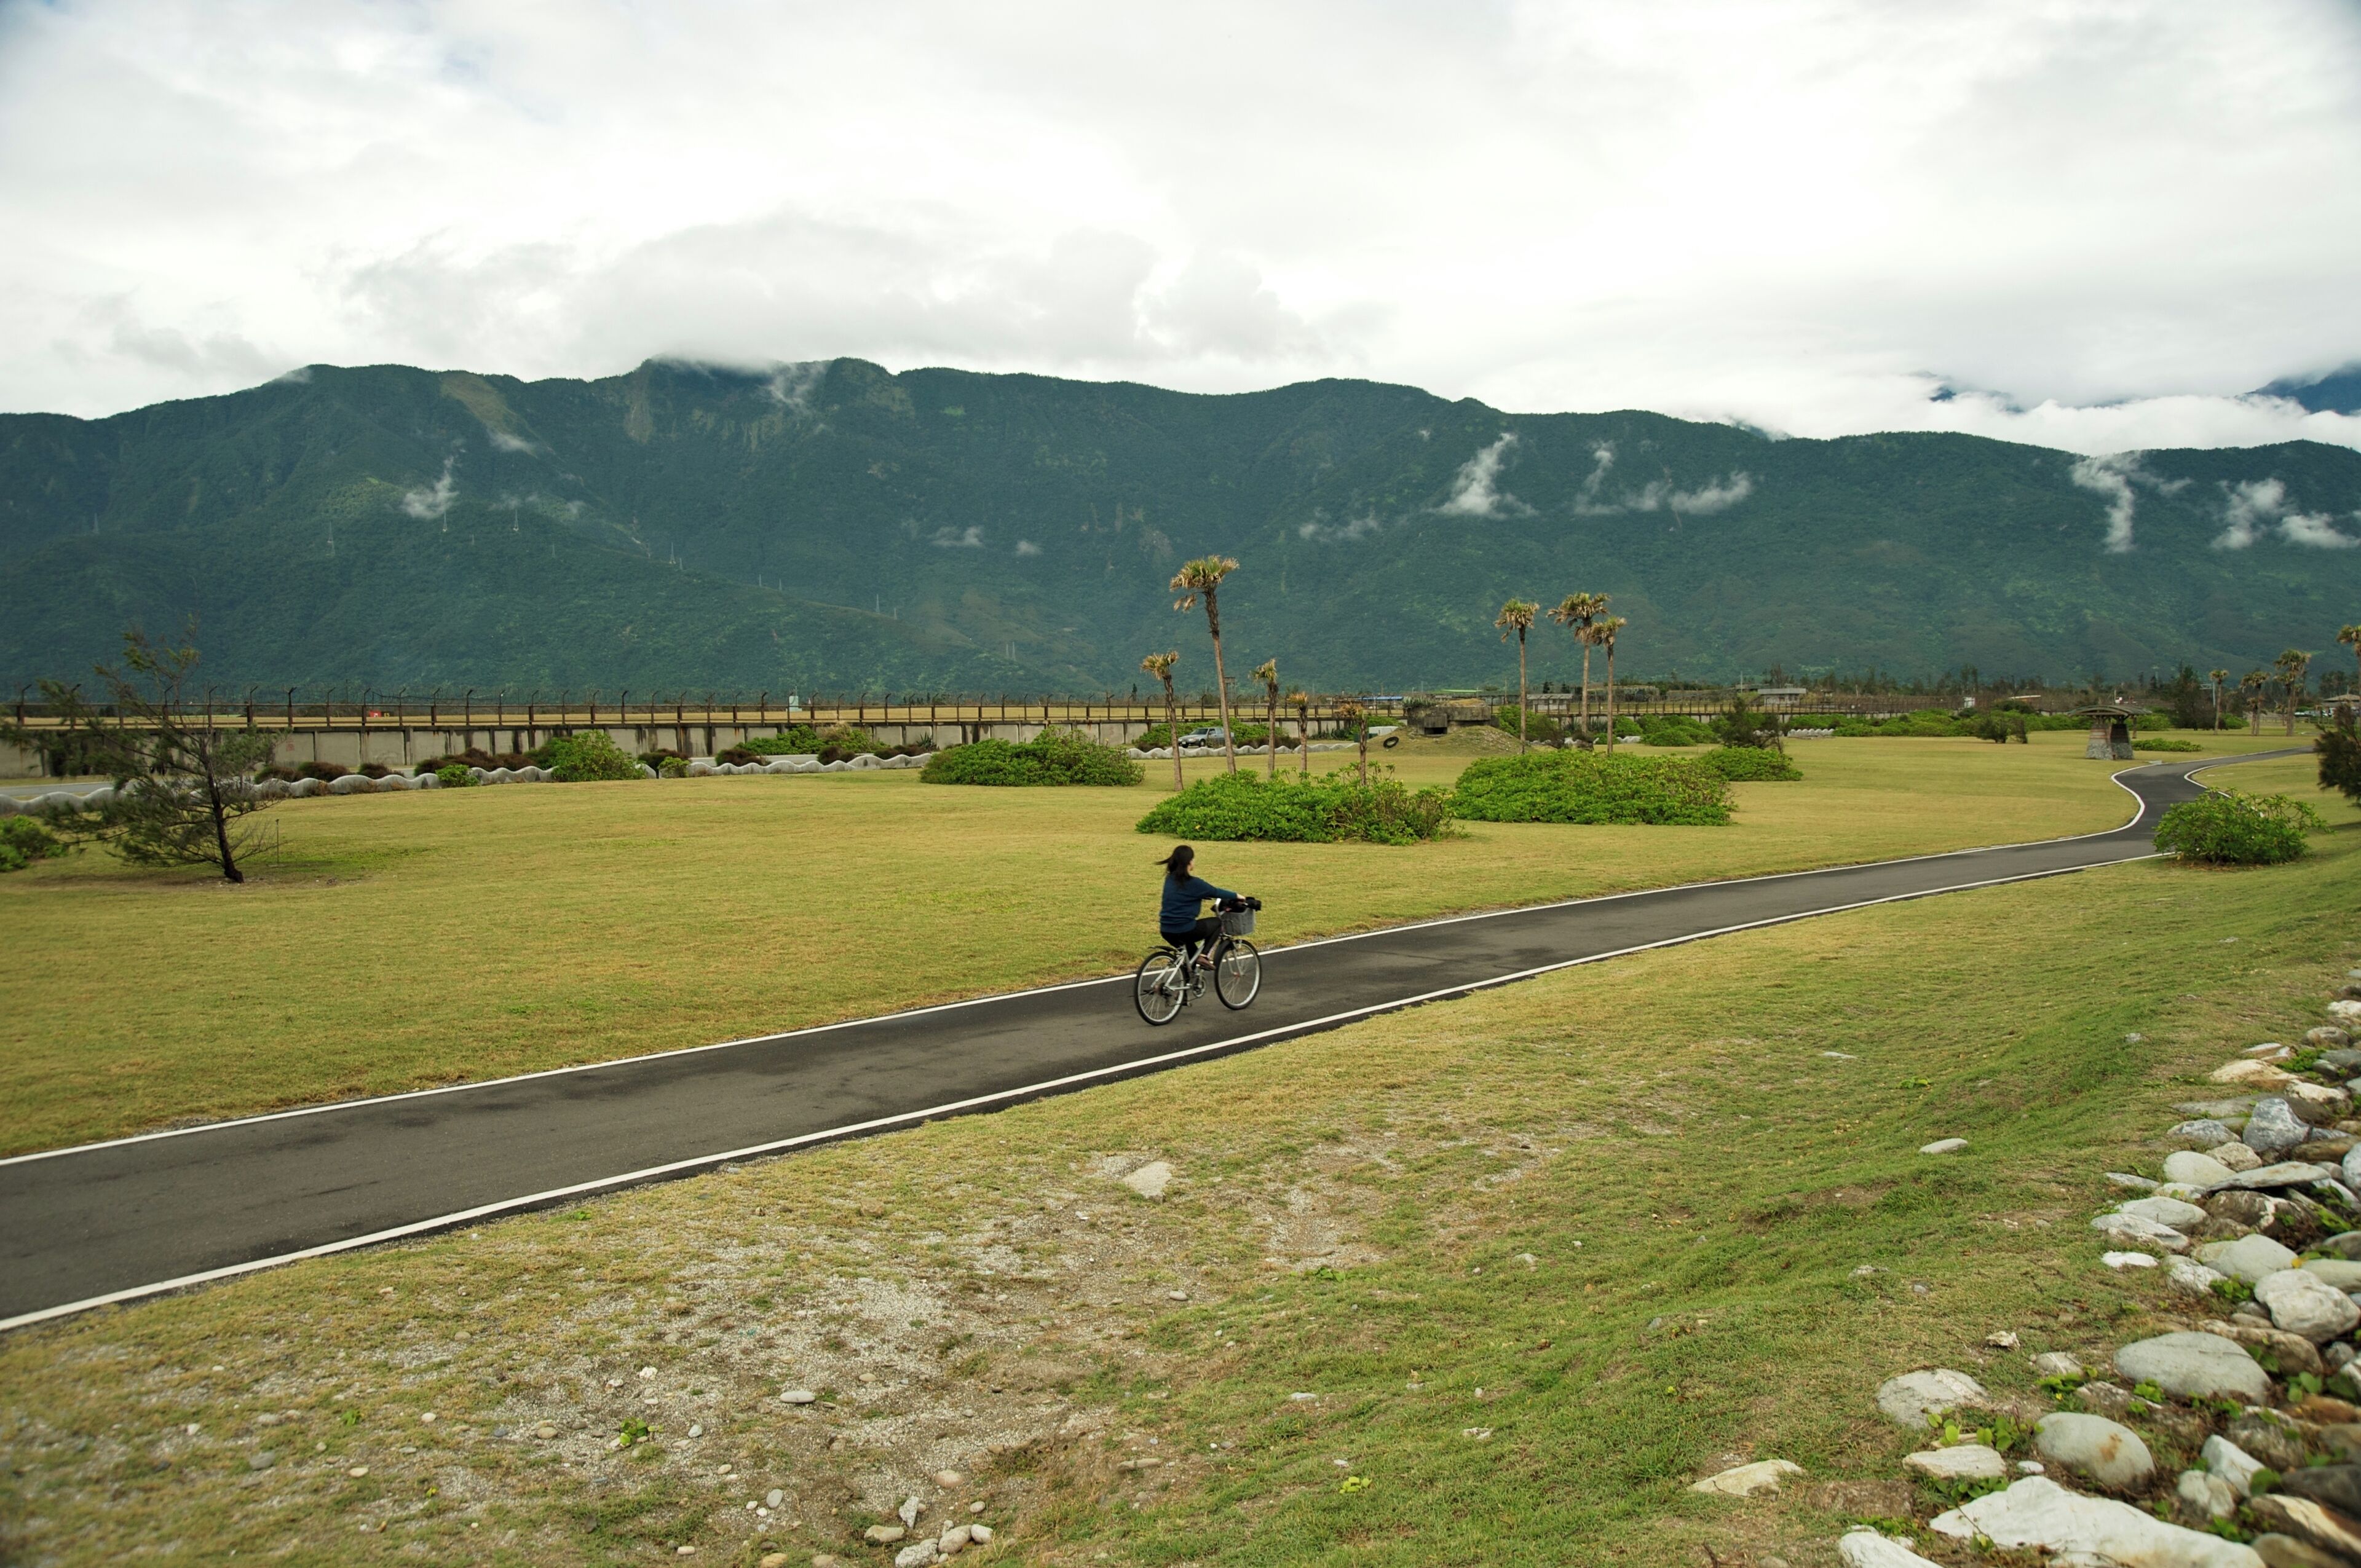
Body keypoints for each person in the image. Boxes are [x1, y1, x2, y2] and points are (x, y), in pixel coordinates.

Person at [1156, 844, 1239, 970]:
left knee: (1191, 960)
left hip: (1166, 930)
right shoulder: (1195, 883)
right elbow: (1215, 892)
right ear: (1189, 862)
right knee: (1217, 923)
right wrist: (1237, 896)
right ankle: (1204, 956)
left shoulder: (1170, 879)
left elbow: (1182, 895)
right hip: (1185, 929)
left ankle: (1189, 983)